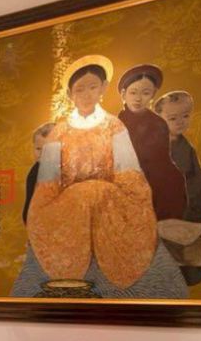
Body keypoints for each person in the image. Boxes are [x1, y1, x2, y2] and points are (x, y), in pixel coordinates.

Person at [11, 55, 188, 299]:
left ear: (103, 88)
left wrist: (120, 197)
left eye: (92, 87)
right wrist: (53, 206)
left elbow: (129, 175)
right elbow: (48, 184)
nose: (86, 94)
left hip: (111, 202)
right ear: (70, 94)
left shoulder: (114, 126)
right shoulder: (59, 132)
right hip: (67, 208)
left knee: (109, 202)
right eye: (79, 89)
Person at [154, 90, 201, 286]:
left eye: (185, 116)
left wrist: (191, 213)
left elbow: (198, 181)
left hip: (185, 209)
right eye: (172, 118)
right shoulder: (153, 147)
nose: (180, 122)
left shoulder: (187, 149)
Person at [118, 64, 187, 220]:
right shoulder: (116, 123)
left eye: (145, 93)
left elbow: (162, 156)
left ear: (153, 94)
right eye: (133, 92)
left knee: (173, 179)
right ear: (123, 94)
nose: (138, 98)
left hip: (155, 171)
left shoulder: (158, 123)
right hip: (126, 171)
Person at [22, 122, 55, 224]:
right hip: (37, 224)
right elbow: (29, 204)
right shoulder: (35, 171)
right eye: (38, 149)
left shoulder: (67, 171)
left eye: (48, 149)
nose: (42, 154)